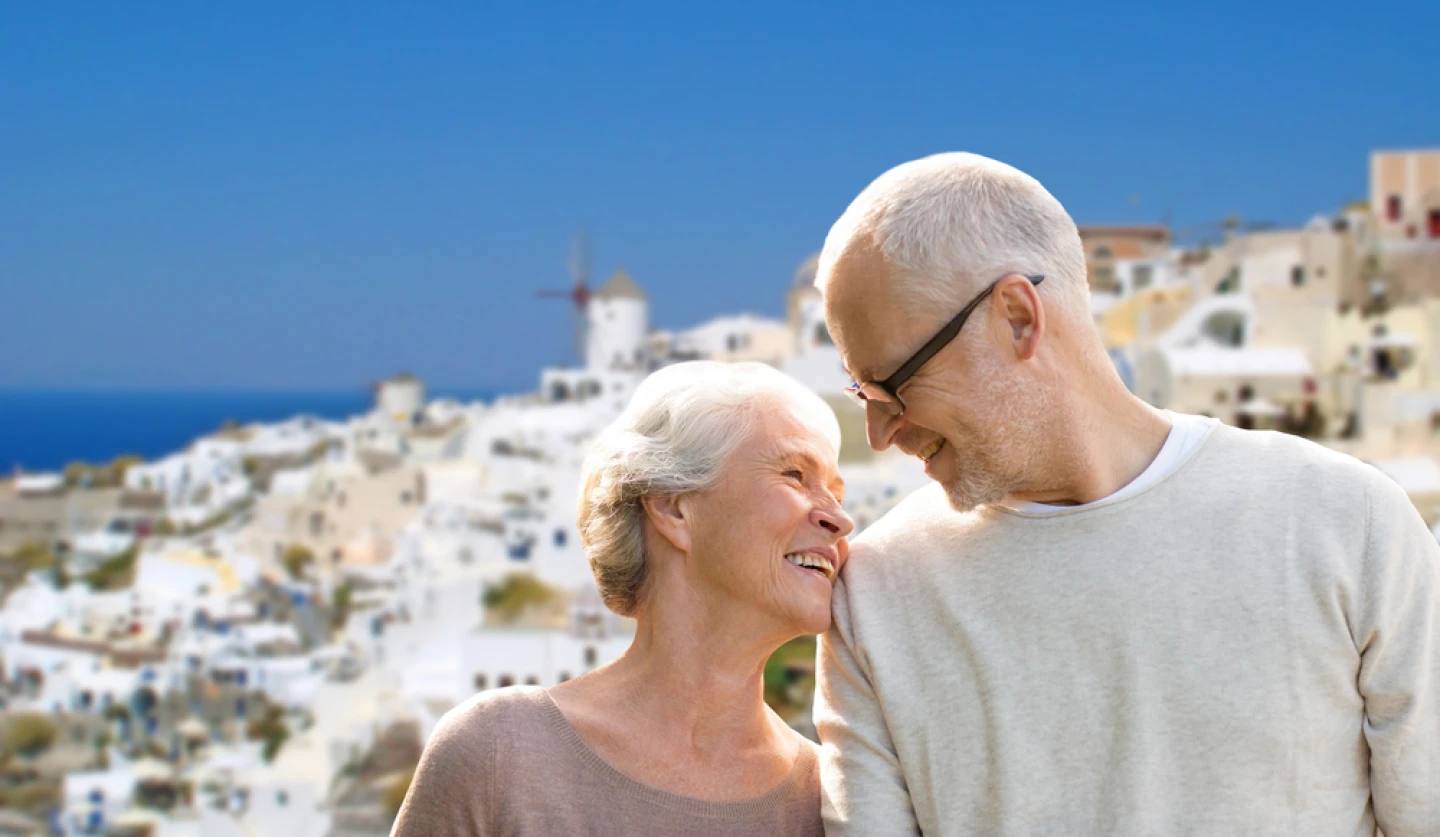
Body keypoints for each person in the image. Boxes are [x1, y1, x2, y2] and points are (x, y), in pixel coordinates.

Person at [812, 152, 1440, 836]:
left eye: (891, 384)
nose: (877, 432)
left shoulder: (1350, 524)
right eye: (860, 393)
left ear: (1019, 318)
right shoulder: (873, 596)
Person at [391, 361, 853, 836]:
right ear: (674, 507)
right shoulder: (497, 752)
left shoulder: (830, 803)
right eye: (796, 476)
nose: (841, 521)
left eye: (839, 495)